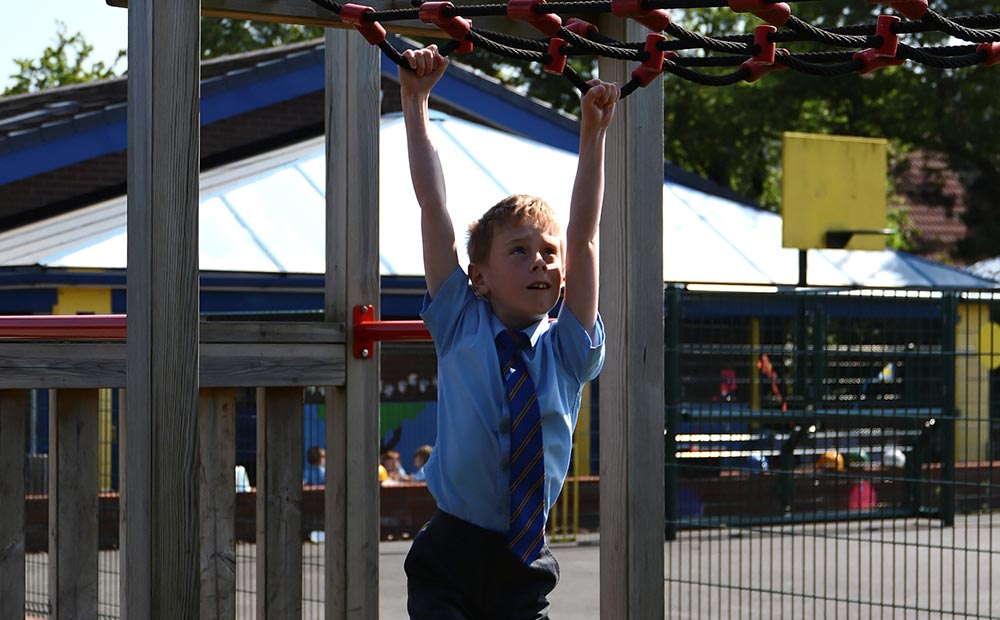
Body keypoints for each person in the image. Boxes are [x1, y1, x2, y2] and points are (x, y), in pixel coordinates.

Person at [398, 44, 617, 619]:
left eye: (548, 253)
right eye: (518, 252)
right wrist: (415, 101)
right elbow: (432, 208)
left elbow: (585, 235)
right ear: (481, 276)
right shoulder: (460, 322)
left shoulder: (567, 348)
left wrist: (592, 136)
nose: (541, 262)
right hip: (451, 549)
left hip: (523, 558)